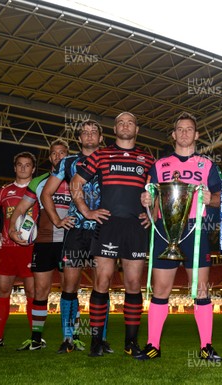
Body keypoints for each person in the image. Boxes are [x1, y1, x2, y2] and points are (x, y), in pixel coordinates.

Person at [136, 112, 222, 361]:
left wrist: (212, 199)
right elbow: (150, 197)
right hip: (166, 229)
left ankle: (206, 346)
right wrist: (147, 200)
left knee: (201, 289)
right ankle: (153, 345)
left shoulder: (207, 165)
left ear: (196, 135)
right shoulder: (159, 165)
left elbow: (221, 198)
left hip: (196, 230)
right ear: (173, 135)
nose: (184, 133)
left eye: (189, 129)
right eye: (180, 129)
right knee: (161, 289)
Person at [70, 112, 155, 357]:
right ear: (115, 129)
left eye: (130, 122)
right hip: (107, 224)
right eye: (120, 122)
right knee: (102, 281)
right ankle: (96, 342)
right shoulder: (101, 154)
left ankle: (131, 344)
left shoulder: (148, 159)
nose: (125, 126)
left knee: (132, 284)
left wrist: (152, 214)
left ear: (137, 129)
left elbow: (157, 192)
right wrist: (86, 211)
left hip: (136, 227)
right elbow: (75, 183)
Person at [40, 119, 106, 354]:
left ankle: (100, 340)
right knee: (69, 285)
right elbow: (46, 193)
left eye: (93, 132)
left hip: (103, 228)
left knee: (102, 285)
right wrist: (57, 220)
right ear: (79, 139)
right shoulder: (68, 162)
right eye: (84, 132)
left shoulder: (109, 159)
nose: (89, 136)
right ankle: (68, 338)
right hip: (76, 229)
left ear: (100, 138)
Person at [8, 139, 70, 350]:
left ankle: (72, 338)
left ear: (68, 155)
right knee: (40, 290)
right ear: (50, 157)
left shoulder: (79, 179)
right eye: (54, 153)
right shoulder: (40, 181)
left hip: (69, 243)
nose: (58, 156)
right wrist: (11, 229)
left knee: (70, 290)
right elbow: (20, 208)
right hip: (44, 242)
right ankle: (36, 339)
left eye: (62, 153)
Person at [0, 152, 38, 348]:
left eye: (27, 165)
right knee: (2, 291)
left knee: (33, 292)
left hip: (30, 248)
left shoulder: (39, 190)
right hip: (6, 248)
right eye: (19, 164)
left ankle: (36, 339)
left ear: (33, 169)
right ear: (14, 168)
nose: (23, 168)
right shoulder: (4, 191)